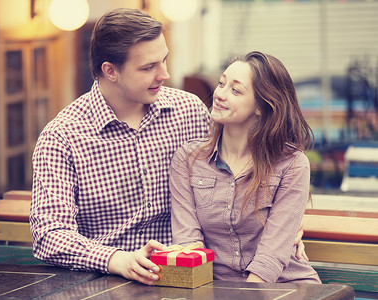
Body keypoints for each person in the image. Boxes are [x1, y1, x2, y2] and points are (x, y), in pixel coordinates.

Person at [30, 8, 306, 285]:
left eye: (164, 60)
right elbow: (49, 234)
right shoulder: (62, 137)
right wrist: (117, 260)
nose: (165, 74)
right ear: (110, 71)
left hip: (187, 277)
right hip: (106, 280)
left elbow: (241, 175)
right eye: (149, 67)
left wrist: (284, 226)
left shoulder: (188, 111)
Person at [169, 51, 321, 283]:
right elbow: (188, 244)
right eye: (221, 83)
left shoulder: (292, 164)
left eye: (235, 90)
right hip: (218, 290)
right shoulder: (188, 159)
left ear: (261, 106)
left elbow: (270, 259)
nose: (220, 94)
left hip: (286, 286)